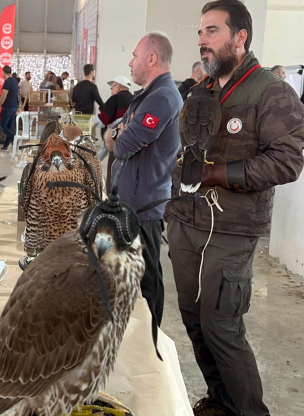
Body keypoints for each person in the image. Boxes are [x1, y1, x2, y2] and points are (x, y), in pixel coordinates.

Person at [166, 2, 304, 415]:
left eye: (211, 31)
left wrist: (217, 174)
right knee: (193, 319)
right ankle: (220, 401)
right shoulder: (200, 91)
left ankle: (249, 411)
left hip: (231, 228)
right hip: (186, 220)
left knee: (222, 326)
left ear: (239, 37)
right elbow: (185, 152)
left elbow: (287, 161)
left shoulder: (272, 91)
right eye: (200, 32)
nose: (201, 40)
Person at [103, 32, 181, 329]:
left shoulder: (162, 98)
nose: (130, 62)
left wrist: (119, 134)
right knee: (126, 273)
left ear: (151, 58)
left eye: (135, 55)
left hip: (143, 208)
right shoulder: (147, 96)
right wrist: (119, 133)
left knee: (148, 280)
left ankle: (152, 339)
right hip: (129, 204)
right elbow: (115, 132)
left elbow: (121, 144)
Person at [95, 75, 133, 184]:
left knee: (107, 156)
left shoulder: (115, 98)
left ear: (118, 86)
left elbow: (103, 118)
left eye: (112, 87)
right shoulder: (133, 98)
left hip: (114, 136)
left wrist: (89, 122)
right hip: (128, 139)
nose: (111, 90)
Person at [0, 65, 18, 151]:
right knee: (10, 126)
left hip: (7, 107)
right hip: (14, 106)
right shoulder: (14, 81)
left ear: (3, 72)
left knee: (2, 125)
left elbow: (4, 96)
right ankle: (6, 145)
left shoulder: (7, 82)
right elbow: (12, 93)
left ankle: (14, 138)